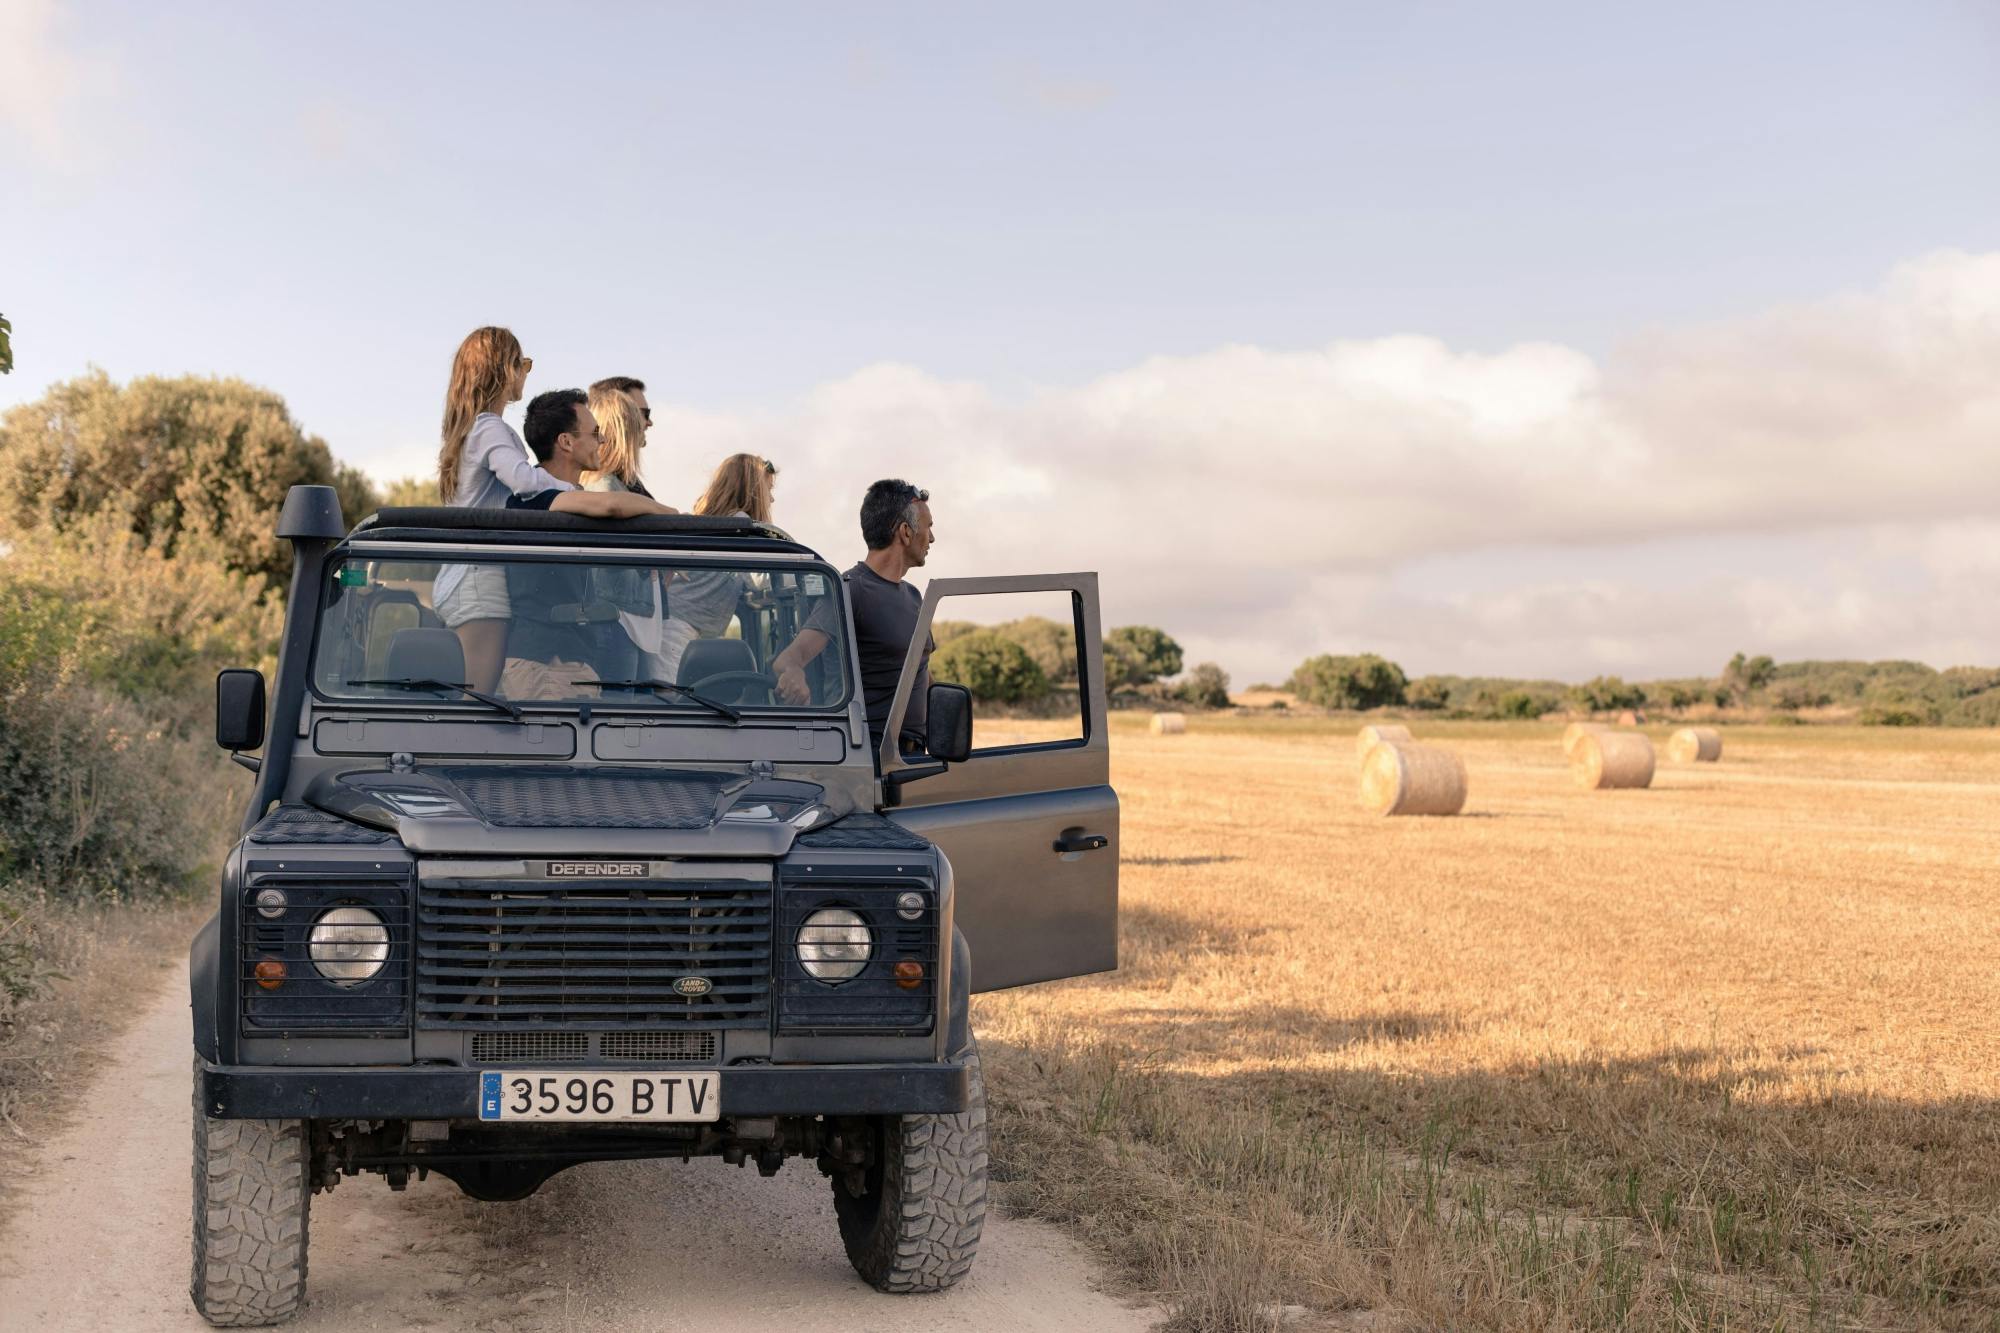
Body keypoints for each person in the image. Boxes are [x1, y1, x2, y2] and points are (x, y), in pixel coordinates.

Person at [498, 389, 677, 699]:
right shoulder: (532, 496)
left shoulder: (563, 495)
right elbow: (610, 506)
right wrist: (672, 516)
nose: (603, 442)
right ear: (566, 442)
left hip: (574, 662)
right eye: (595, 434)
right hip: (543, 664)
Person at [431, 326, 569, 692]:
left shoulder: (469, 429)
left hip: (465, 578)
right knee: (478, 699)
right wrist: (570, 491)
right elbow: (523, 481)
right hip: (478, 580)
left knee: (477, 695)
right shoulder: (489, 427)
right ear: (505, 370)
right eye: (523, 364)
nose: (526, 373)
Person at [771, 478, 934, 753]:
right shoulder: (851, 590)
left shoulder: (915, 597)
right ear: (905, 532)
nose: (931, 538)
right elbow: (789, 658)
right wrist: (793, 675)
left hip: (914, 760)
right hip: (871, 761)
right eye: (928, 528)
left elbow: (922, 673)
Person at [649, 453, 783, 681]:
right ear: (754, 492)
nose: (771, 500)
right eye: (768, 491)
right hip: (679, 628)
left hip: (680, 625)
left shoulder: (719, 523)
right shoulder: (740, 524)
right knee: (670, 701)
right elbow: (759, 580)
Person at [581, 377, 654, 497]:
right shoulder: (605, 485)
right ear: (621, 416)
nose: (650, 422)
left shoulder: (626, 482)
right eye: (644, 413)